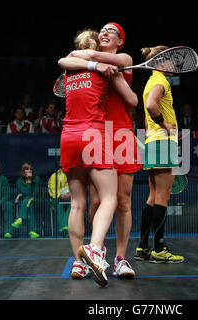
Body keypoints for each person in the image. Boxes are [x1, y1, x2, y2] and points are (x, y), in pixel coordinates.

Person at [59, 23, 140, 280]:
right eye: (101, 30)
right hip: (95, 134)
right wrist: (91, 61)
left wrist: (112, 74)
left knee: (123, 202)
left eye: (111, 31)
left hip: (121, 135)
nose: (104, 33)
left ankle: (121, 259)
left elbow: (132, 101)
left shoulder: (124, 59)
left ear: (120, 40)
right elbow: (69, 59)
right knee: (96, 201)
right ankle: (96, 252)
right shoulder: (88, 61)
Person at [134, 45, 185, 264]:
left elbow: (146, 117)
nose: (175, 64)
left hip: (154, 142)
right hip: (163, 142)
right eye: (172, 60)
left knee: (153, 197)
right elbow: (150, 105)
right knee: (163, 197)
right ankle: (159, 248)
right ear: (162, 62)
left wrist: (156, 132)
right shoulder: (161, 81)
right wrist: (165, 125)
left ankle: (143, 247)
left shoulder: (150, 81)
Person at [13, 163, 41, 238]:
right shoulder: (19, 181)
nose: (29, 171)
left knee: (28, 199)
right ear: (23, 171)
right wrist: (28, 182)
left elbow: (35, 193)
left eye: (31, 169)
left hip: (37, 201)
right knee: (29, 204)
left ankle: (19, 219)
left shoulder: (36, 179)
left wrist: (29, 181)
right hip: (28, 203)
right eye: (27, 169)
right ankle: (32, 231)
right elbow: (27, 193)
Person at [48, 166, 71, 237]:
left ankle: (66, 229)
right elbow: (51, 188)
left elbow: (77, 187)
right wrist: (59, 195)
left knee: (74, 205)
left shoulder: (73, 174)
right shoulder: (54, 175)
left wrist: (70, 195)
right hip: (57, 199)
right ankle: (64, 228)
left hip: (70, 198)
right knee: (60, 204)